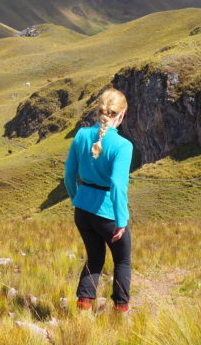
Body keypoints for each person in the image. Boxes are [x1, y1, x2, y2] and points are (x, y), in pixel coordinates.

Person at [64, 87, 132, 312]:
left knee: (94, 258)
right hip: (108, 214)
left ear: (99, 111)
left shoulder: (81, 135)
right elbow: (117, 185)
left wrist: (77, 199)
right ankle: (120, 312)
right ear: (121, 115)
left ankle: (83, 309)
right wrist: (121, 220)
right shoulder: (123, 145)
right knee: (122, 261)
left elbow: (68, 175)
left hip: (83, 211)